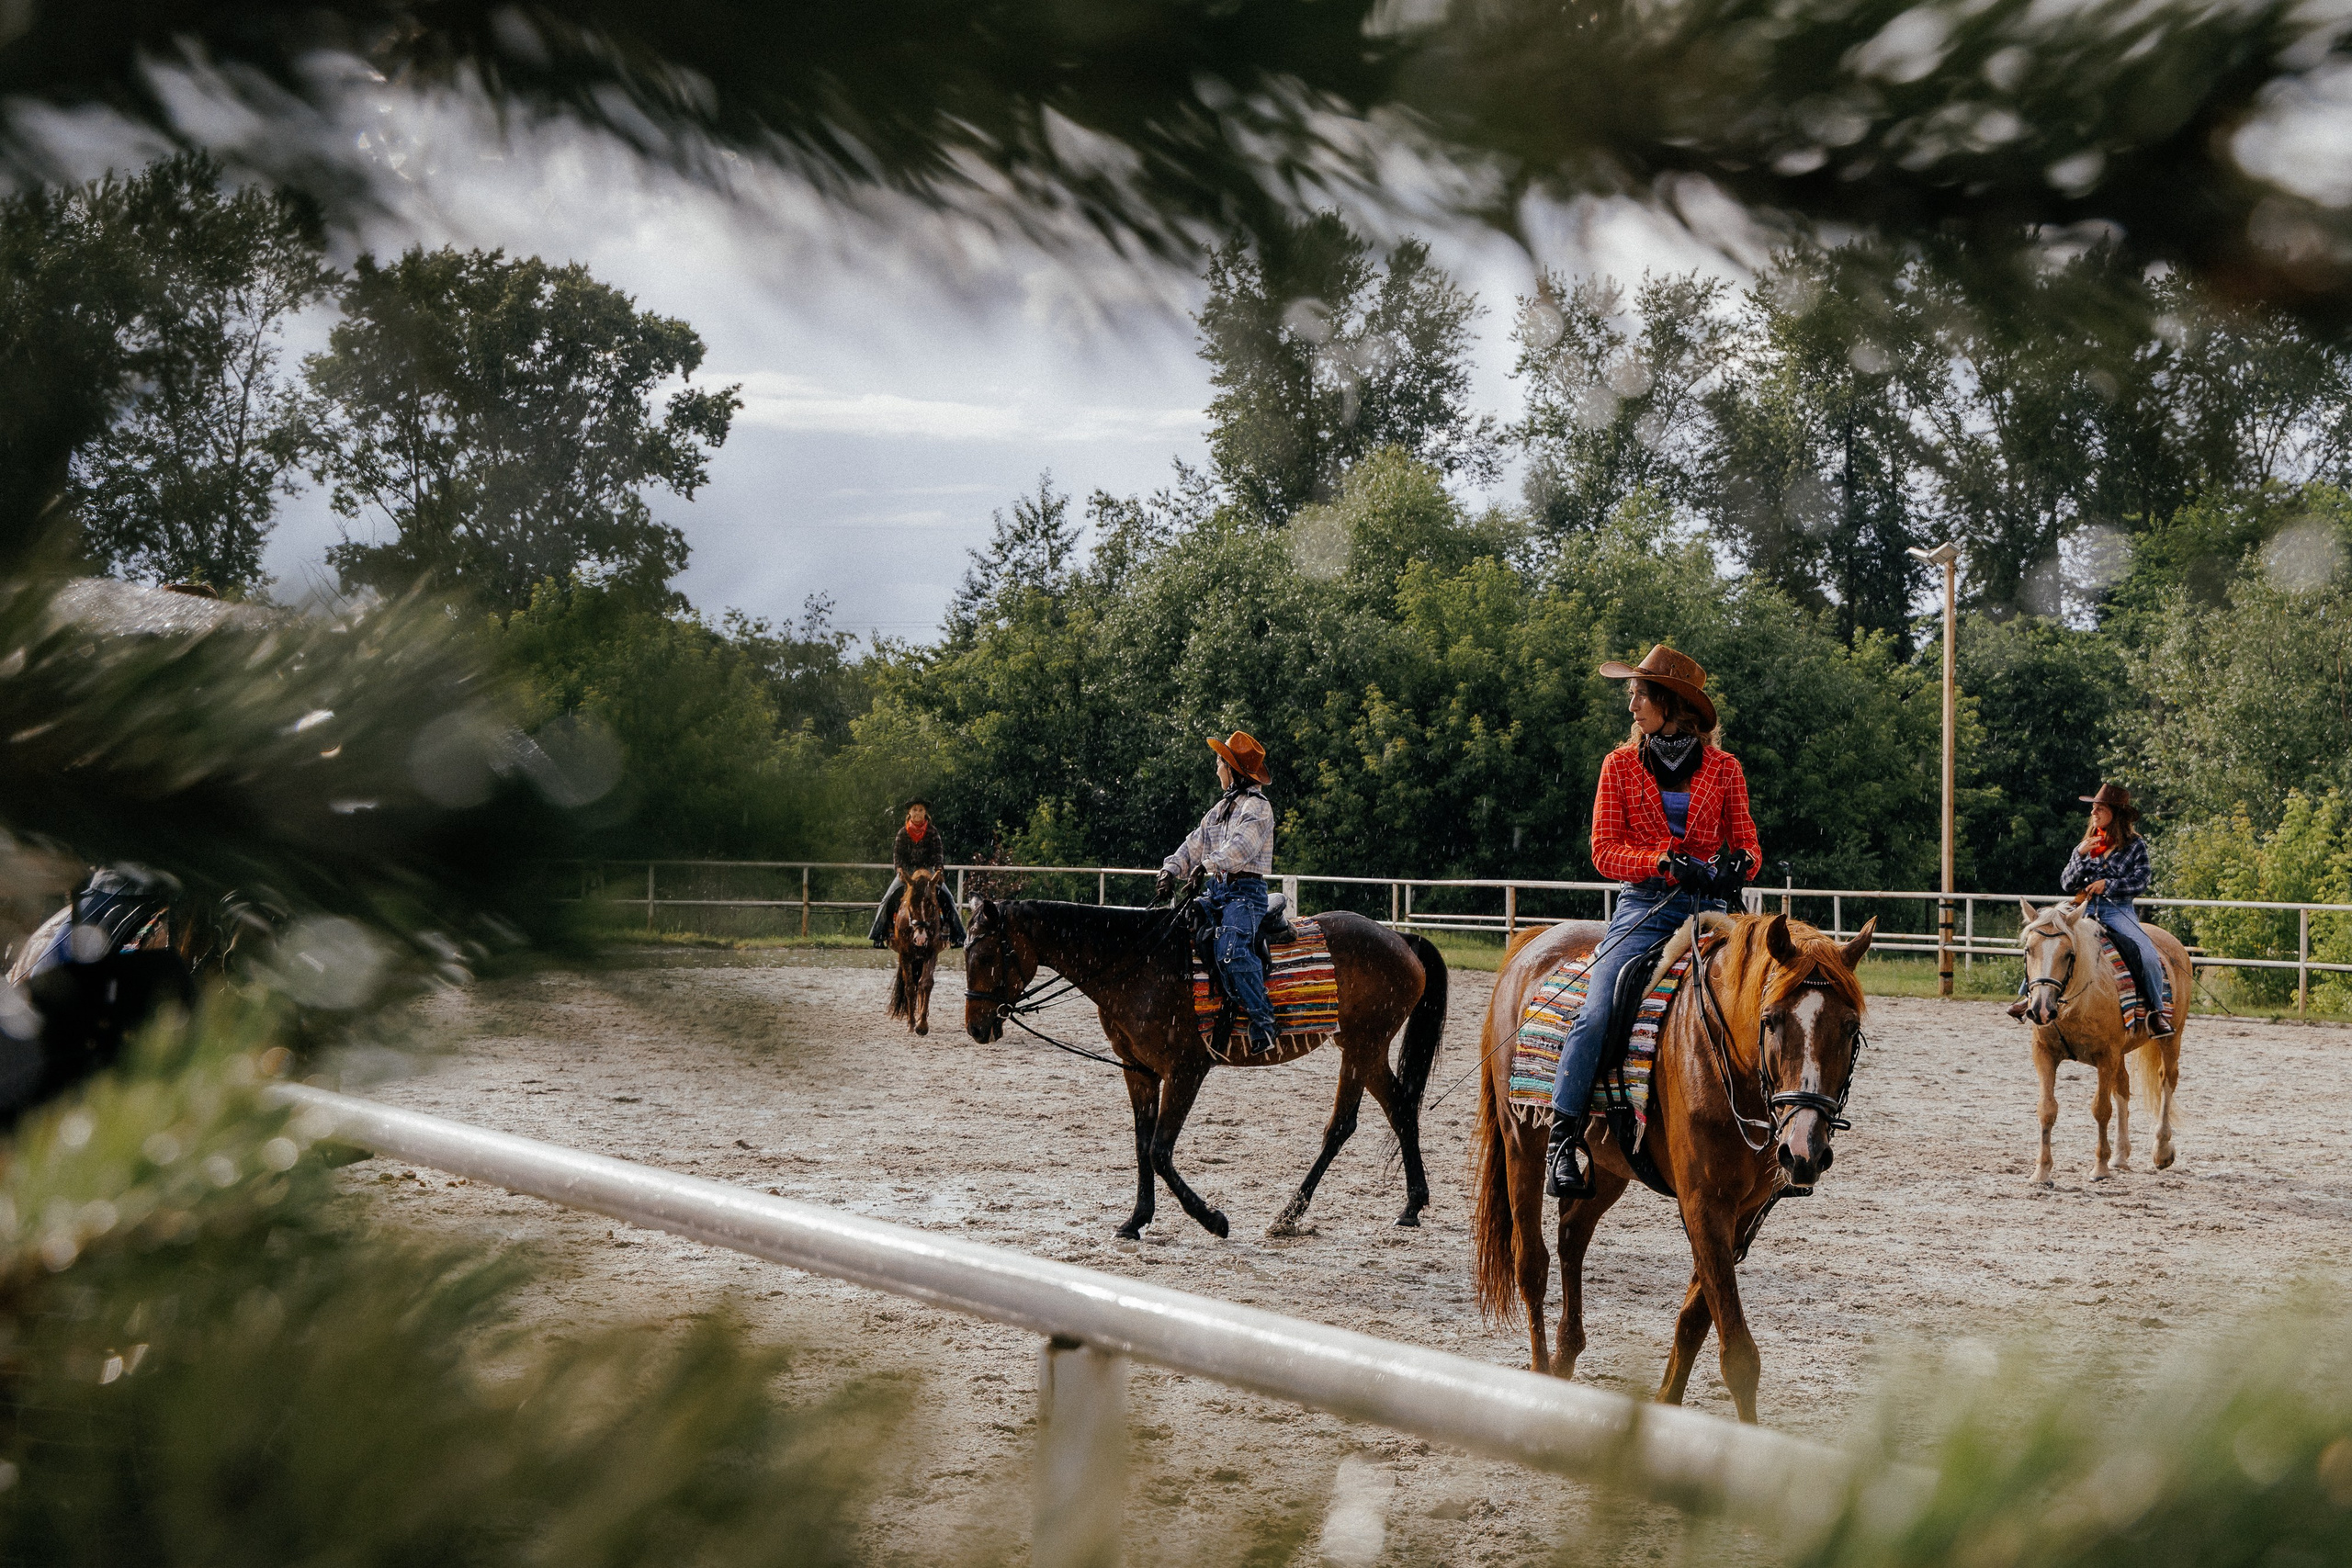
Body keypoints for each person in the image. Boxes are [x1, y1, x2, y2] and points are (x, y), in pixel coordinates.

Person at [1547, 645, 1760, 1200]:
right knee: (1597, 1009)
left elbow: (1749, 844)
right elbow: (1603, 851)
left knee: (1770, 998)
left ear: (1668, 702)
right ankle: (1563, 1138)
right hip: (1644, 908)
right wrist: (1661, 862)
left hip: (1715, 908)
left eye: (1639, 694)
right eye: (1634, 695)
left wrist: (1737, 864)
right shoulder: (1619, 765)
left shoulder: (1725, 768)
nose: (1633, 705)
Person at [1154, 730, 1280, 1059]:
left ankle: (1264, 1021)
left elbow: (1241, 847)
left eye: (1220, 762)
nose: (1216, 768)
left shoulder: (1258, 808)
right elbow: (1194, 843)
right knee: (1173, 930)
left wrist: (1207, 865)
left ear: (1232, 769)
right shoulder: (1219, 809)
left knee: (1232, 949)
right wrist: (1170, 869)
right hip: (1220, 890)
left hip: (1245, 893)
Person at [2012, 783, 2173, 1035]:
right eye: (2093, 808)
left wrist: (2109, 884)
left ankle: (2156, 1012)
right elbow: (2067, 883)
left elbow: (2141, 881)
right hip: (2081, 910)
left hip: (2117, 911)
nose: (2093, 813)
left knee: (2148, 955)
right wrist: (2078, 855)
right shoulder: (2086, 845)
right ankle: (2027, 998)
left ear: (2115, 813)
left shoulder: (2135, 846)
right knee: (2047, 942)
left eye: (2099, 808)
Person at [867, 799, 965, 948]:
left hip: (928, 870)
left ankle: (957, 935)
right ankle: (879, 934)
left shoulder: (932, 832)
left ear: (925, 812)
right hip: (908, 871)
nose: (918, 813)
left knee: (948, 897)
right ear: (909, 812)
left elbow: (938, 854)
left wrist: (938, 871)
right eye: (915, 810)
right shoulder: (902, 833)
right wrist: (900, 870)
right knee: (887, 898)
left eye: (920, 810)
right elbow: (897, 856)